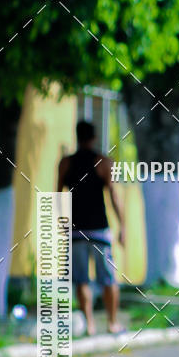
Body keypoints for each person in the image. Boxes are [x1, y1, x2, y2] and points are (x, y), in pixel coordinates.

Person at [57, 120, 125, 336]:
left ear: (77, 136)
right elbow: (113, 195)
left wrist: (61, 222)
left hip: (76, 230)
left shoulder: (65, 162)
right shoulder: (103, 162)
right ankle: (112, 323)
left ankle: (90, 324)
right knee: (108, 278)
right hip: (99, 230)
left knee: (81, 280)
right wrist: (122, 225)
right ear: (94, 138)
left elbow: (58, 195)